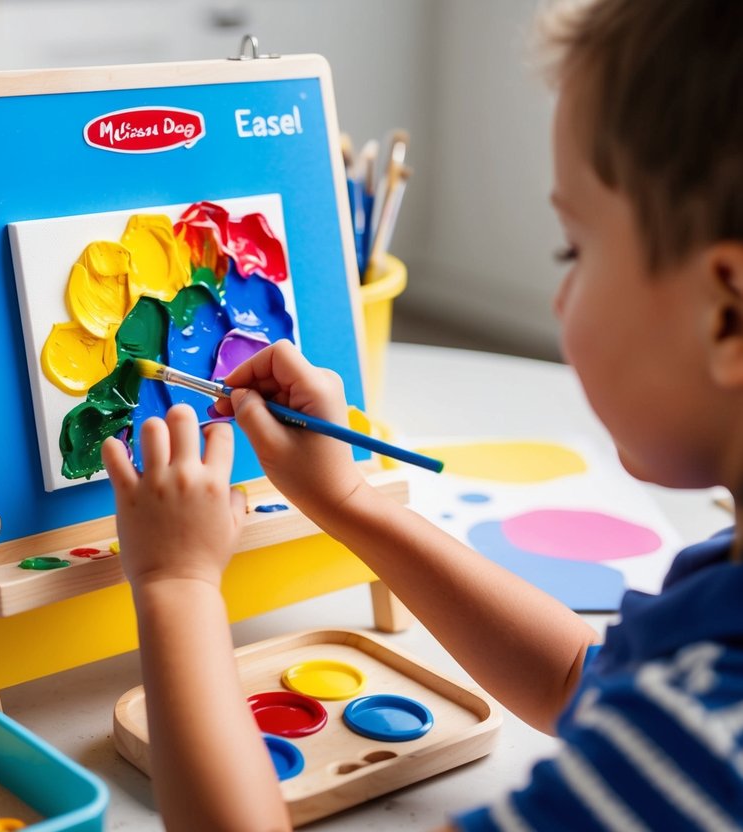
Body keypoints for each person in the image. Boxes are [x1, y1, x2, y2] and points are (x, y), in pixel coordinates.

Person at [100, 1, 743, 829]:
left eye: (573, 249)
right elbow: (577, 682)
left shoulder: (689, 752)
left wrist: (175, 586)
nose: (560, 288)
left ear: (725, 316)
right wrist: (349, 501)